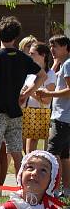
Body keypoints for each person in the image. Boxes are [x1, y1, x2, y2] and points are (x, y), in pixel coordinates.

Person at [0, 16, 46, 200]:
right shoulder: (22, 57)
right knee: (16, 152)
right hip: (15, 111)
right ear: (16, 36)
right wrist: (27, 93)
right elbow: (42, 75)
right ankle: (24, 187)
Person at [36, 35, 70, 197]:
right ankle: (65, 190)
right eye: (50, 46)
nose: (52, 50)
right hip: (64, 117)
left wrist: (49, 92)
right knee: (64, 155)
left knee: (52, 153)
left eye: (55, 46)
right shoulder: (64, 64)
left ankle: (54, 189)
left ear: (65, 47)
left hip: (62, 117)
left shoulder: (68, 64)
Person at [20, 42, 55, 154]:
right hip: (25, 110)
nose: (29, 56)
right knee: (22, 146)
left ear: (43, 55)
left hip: (39, 112)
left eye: (32, 53)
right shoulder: (31, 72)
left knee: (30, 147)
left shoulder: (50, 74)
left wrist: (29, 92)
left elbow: (47, 100)